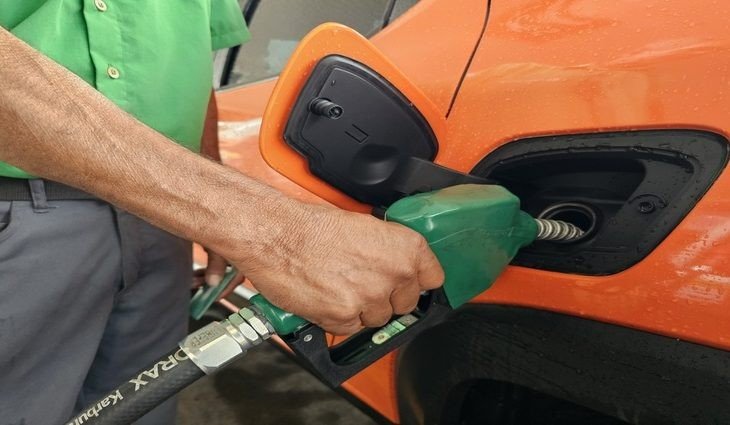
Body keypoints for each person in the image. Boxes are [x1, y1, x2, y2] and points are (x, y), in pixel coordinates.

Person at [0, 1, 444, 424]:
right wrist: (269, 233)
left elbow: (198, 81)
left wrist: (208, 211)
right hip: (21, 211)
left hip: (164, 224)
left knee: (144, 406)